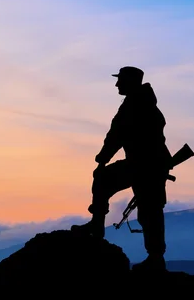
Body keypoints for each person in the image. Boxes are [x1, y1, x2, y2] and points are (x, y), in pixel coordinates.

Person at [71, 66, 172, 272]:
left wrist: (102, 159)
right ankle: (154, 257)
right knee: (150, 210)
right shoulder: (144, 103)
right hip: (148, 165)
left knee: (148, 209)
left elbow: (117, 134)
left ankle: (153, 258)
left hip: (145, 166)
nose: (117, 84)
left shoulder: (134, 105)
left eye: (120, 80)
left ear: (131, 82)